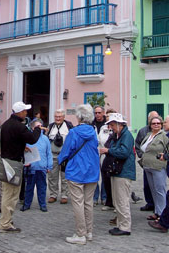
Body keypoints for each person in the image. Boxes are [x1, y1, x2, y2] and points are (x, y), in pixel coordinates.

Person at [58, 104, 99, 245]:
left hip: (76, 170)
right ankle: (89, 232)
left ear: (79, 117)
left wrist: (59, 160)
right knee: (88, 203)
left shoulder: (74, 132)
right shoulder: (93, 132)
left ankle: (80, 234)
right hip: (92, 170)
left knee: (78, 203)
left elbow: (66, 151)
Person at [0, 101, 41, 233]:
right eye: (25, 111)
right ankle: (5, 224)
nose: (26, 113)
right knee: (11, 195)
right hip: (14, 164)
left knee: (8, 193)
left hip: (6, 161)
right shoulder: (19, 126)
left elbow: (11, 141)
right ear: (19, 112)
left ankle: (7, 220)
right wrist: (37, 128)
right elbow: (33, 139)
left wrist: (22, 146)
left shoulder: (5, 125)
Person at [100, 113, 136, 236]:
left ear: (119, 124)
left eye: (112, 125)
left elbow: (124, 152)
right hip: (118, 171)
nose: (111, 127)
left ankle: (125, 227)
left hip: (123, 172)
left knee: (122, 200)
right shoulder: (119, 135)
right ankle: (121, 224)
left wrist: (109, 151)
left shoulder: (126, 136)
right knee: (117, 200)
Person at [139, 115, 169, 221]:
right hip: (147, 166)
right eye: (153, 123)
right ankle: (157, 211)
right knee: (153, 190)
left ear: (161, 125)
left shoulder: (164, 136)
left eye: (158, 123)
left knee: (160, 190)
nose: (156, 125)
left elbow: (168, 150)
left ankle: (163, 214)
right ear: (150, 125)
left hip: (158, 166)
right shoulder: (148, 135)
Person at [20, 118, 53, 212]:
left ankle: (42, 204)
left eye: (40, 126)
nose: (39, 128)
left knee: (42, 188)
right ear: (32, 127)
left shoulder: (45, 139)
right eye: (36, 126)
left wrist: (49, 166)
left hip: (42, 167)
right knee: (29, 187)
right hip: (31, 167)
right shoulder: (29, 138)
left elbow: (48, 153)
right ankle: (26, 204)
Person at [47, 109, 73, 204]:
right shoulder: (50, 127)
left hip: (64, 155)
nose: (57, 118)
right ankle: (53, 194)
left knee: (64, 176)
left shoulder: (69, 126)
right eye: (56, 117)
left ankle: (64, 195)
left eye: (59, 117)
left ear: (63, 117)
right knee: (52, 176)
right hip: (53, 154)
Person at [135, 111, 158, 212]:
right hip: (146, 162)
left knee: (157, 185)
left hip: (157, 163)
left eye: (156, 119)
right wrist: (141, 155)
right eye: (152, 119)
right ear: (148, 120)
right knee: (147, 184)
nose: (155, 122)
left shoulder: (161, 132)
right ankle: (150, 203)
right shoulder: (143, 131)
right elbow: (137, 144)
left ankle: (158, 205)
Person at [92, 105, 107, 206]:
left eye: (99, 113)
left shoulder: (107, 124)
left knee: (105, 175)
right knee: (94, 176)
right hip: (93, 152)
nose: (97, 115)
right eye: (96, 113)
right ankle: (95, 197)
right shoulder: (91, 124)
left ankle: (104, 197)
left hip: (105, 152)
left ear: (103, 113)